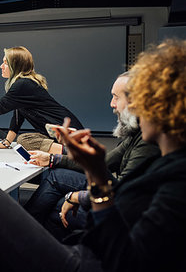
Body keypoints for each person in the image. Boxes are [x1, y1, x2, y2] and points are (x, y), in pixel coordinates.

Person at [0, 38, 186, 272]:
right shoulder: (154, 152)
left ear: (159, 107)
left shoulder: (176, 181)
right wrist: (93, 170)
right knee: (41, 211)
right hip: (88, 248)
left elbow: (121, 255)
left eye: (118, 98)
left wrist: (86, 188)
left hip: (88, 262)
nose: (112, 105)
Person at [23, 72, 160, 240]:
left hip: (127, 219)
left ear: (137, 101)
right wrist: (53, 159)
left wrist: (76, 196)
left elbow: (122, 193)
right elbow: (108, 162)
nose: (112, 104)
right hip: (122, 202)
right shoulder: (138, 132)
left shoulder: (148, 140)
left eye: (116, 98)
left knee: (57, 203)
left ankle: (22, 233)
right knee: (57, 181)